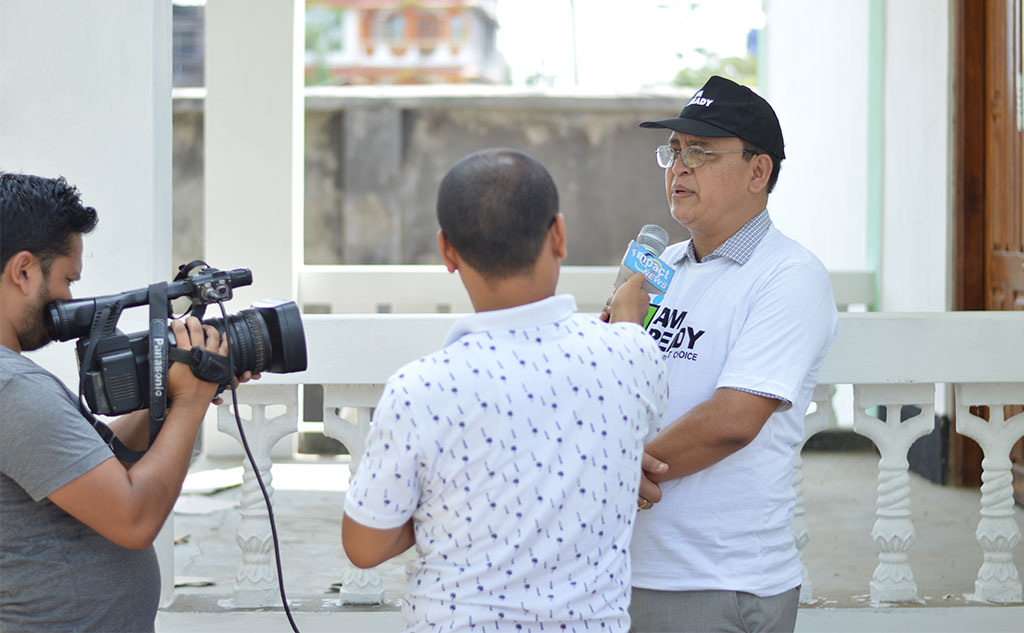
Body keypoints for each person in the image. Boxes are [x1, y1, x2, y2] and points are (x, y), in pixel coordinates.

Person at [341, 149, 668, 632]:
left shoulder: (420, 389)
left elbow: (365, 546)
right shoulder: (632, 355)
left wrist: (455, 502)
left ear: (447, 252)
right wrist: (626, 324)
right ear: (558, 235)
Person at [618, 76, 839, 633]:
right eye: (673, 151)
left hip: (718, 580)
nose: (678, 167)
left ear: (758, 172)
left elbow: (734, 419)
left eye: (700, 152)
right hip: (625, 567)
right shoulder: (661, 266)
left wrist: (619, 474)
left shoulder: (789, 275)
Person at [0, 173, 233, 632]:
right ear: (24, 271)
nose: (68, 297)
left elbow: (103, 461)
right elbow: (134, 519)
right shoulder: (12, 389)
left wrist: (183, 389)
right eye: (67, 279)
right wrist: (190, 401)